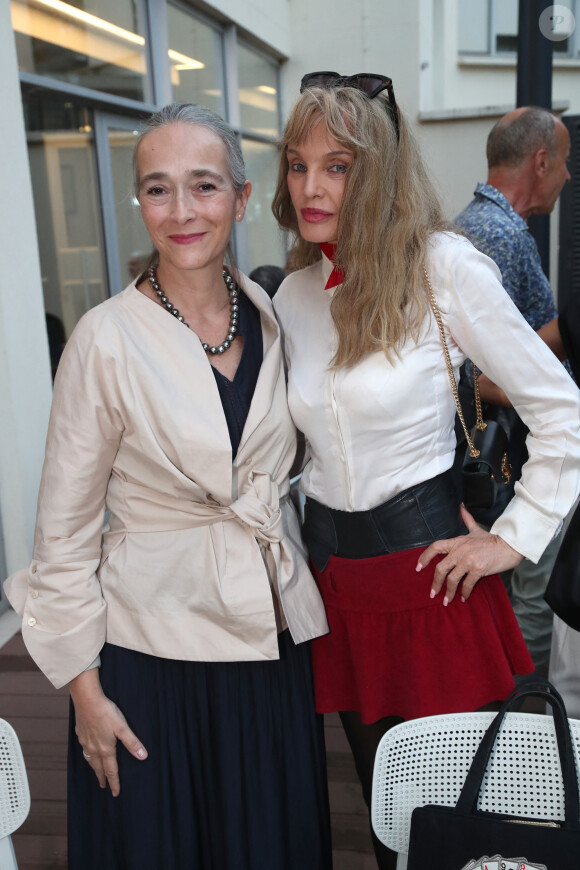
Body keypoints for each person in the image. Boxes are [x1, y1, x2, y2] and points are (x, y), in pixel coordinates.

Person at [4, 102, 332, 870]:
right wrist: (85, 695)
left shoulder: (277, 318)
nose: (181, 211)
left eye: (204, 186)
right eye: (157, 189)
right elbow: (62, 538)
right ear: (139, 203)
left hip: (267, 645)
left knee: (267, 847)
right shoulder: (104, 340)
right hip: (151, 655)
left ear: (243, 199)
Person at [271, 74, 580, 869]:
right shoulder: (295, 294)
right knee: (388, 820)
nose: (311, 186)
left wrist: (512, 539)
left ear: (377, 168)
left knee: (463, 825)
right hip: (339, 591)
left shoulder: (444, 267)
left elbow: (562, 410)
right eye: (298, 164)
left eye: (337, 165)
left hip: (432, 584)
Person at [454, 106, 571, 675]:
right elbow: (464, 372)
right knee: (529, 599)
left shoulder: (469, 226)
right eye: (565, 163)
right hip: (509, 460)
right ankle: (522, 736)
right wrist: (547, 397)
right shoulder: (497, 237)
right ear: (541, 161)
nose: (568, 178)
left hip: (498, 457)